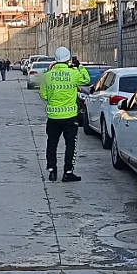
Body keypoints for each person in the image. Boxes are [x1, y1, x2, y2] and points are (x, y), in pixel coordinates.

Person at [39, 46, 89, 182]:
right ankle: (68, 172)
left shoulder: (47, 75)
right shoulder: (73, 73)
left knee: (52, 144)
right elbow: (86, 80)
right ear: (68, 59)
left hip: (53, 117)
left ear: (55, 60)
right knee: (70, 144)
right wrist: (80, 67)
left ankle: (52, 171)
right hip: (70, 117)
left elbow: (43, 95)